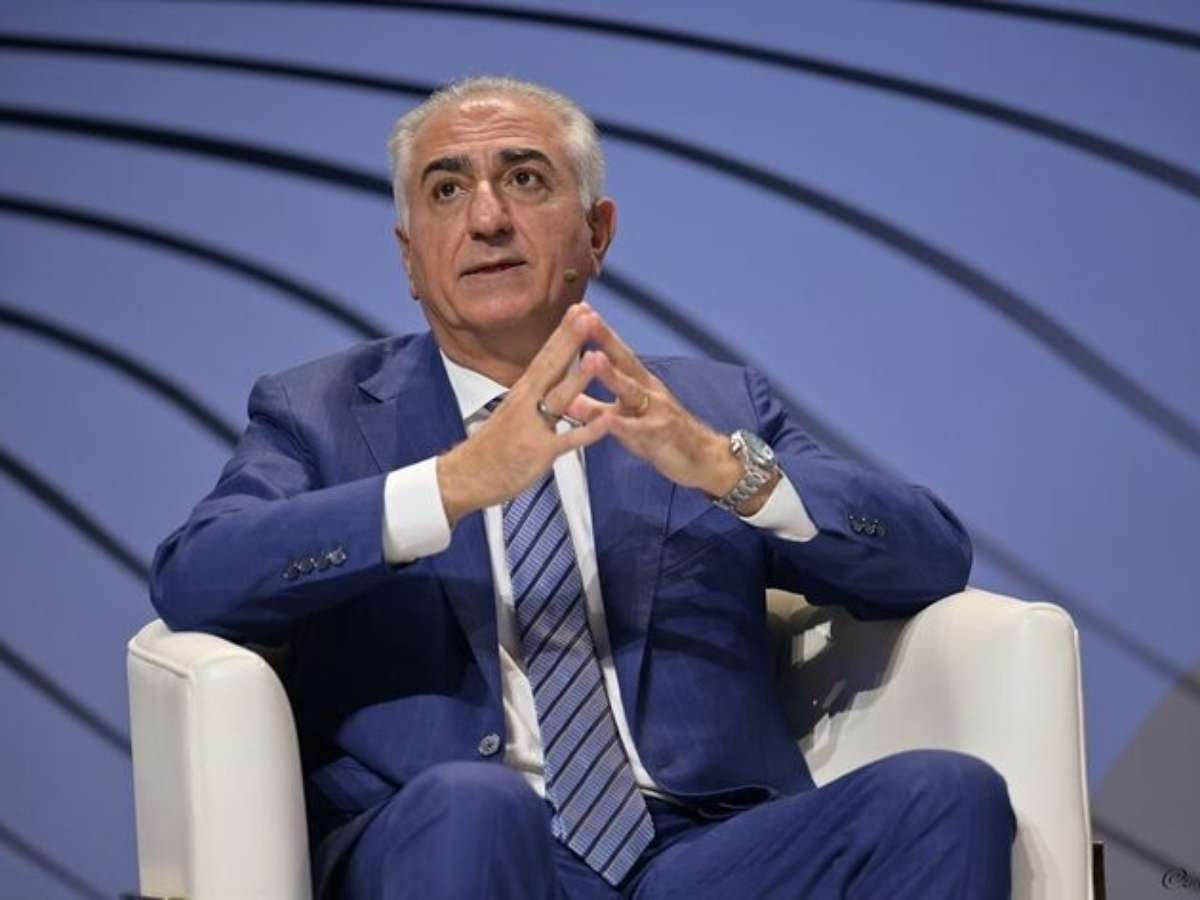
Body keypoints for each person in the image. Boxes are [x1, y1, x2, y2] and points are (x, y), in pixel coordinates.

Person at [151, 76, 1014, 899]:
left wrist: (726, 471)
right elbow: (197, 577)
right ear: (410, 259)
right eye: (446, 191)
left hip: (704, 852)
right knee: (478, 806)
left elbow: (930, 559)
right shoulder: (320, 412)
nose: (487, 218)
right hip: (450, 838)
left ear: (597, 233)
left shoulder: (709, 406)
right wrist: (449, 486)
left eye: (525, 179)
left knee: (943, 795)